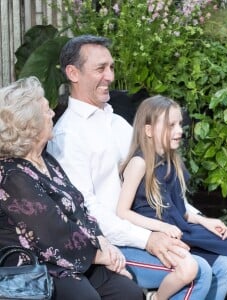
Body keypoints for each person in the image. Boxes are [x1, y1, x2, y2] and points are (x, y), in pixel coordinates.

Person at [47, 34, 227, 300]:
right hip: (112, 244)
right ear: (73, 73)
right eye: (100, 68)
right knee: (199, 271)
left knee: (225, 262)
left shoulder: (118, 124)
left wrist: (198, 217)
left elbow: (159, 183)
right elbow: (86, 211)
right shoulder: (67, 136)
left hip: (151, 227)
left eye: (111, 67)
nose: (110, 77)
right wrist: (147, 239)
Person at [0, 76, 143, 300]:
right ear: (30, 123)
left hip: (75, 256)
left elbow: (79, 206)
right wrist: (101, 254)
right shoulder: (11, 174)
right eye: (47, 110)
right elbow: (50, 230)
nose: (52, 114)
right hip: (37, 266)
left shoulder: (47, 161)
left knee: (129, 292)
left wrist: (103, 241)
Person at [117, 95, 227, 299]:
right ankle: (157, 297)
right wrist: (162, 228)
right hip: (156, 233)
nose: (179, 130)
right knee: (194, 268)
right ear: (149, 130)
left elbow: (179, 209)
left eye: (180, 124)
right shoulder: (139, 163)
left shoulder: (172, 162)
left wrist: (205, 221)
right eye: (171, 125)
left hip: (179, 227)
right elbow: (122, 212)